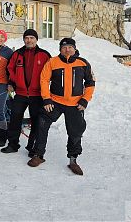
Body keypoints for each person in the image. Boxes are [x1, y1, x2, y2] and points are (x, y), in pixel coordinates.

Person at [27, 38, 95, 175]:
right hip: (55, 102)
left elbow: (90, 82)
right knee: (41, 123)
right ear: (60, 49)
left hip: (75, 104)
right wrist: (46, 99)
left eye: (70, 47)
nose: (67, 49)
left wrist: (85, 100)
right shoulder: (52, 62)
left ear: (74, 48)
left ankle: (73, 159)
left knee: (76, 131)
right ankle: (38, 154)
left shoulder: (83, 63)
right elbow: (44, 80)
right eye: (64, 47)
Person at [1, 29, 51, 156]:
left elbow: (51, 73)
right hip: (21, 94)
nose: (29, 40)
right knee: (15, 119)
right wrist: (12, 83)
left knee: (36, 121)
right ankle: (13, 144)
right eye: (27, 38)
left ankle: (32, 146)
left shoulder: (44, 55)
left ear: (36, 40)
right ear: (24, 40)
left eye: (31, 38)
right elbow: (9, 69)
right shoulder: (17, 54)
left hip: (37, 95)